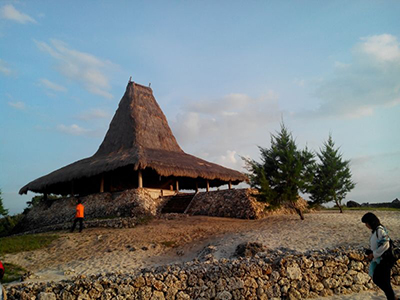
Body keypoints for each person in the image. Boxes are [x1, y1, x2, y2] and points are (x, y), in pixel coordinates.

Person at [362, 212, 397, 300]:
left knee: (378, 279)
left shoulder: (379, 230)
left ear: (371, 222)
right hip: (380, 259)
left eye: (366, 223)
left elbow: (386, 245)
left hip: (385, 259)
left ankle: (392, 297)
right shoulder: (375, 231)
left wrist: (373, 254)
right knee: (384, 281)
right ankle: (392, 297)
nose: (366, 225)